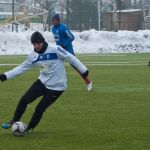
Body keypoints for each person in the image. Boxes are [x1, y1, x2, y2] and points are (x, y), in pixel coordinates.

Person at [1, 31, 90, 133]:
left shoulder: (55, 49)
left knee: (39, 108)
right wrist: (6, 76)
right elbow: (21, 68)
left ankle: (29, 128)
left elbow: (71, 57)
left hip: (57, 87)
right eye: (34, 44)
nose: (37, 46)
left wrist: (83, 70)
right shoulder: (33, 56)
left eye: (39, 43)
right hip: (42, 82)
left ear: (43, 41)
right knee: (24, 99)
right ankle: (14, 120)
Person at [51, 14, 92, 91]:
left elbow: (72, 37)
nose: (53, 22)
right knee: (54, 64)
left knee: (75, 66)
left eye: (55, 20)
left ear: (58, 20)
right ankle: (54, 84)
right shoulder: (52, 28)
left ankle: (88, 81)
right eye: (52, 20)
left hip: (68, 50)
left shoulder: (63, 28)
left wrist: (64, 44)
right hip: (59, 50)